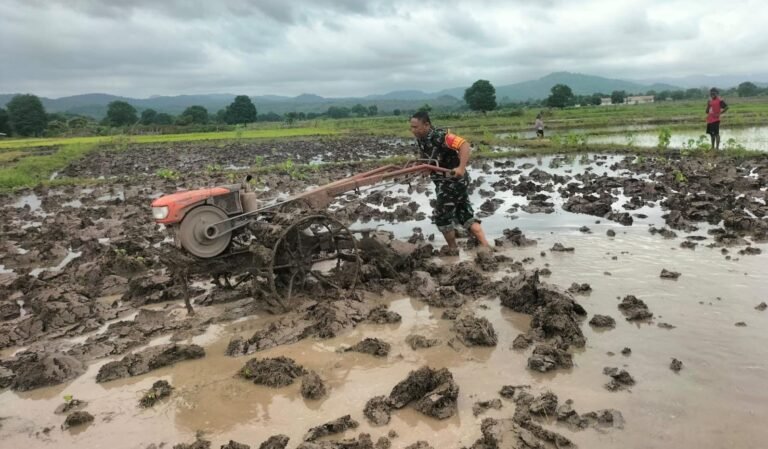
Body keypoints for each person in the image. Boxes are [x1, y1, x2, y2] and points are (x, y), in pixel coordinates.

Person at [409, 111, 490, 251]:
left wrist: (461, 168)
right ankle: (486, 247)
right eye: (412, 127)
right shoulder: (421, 139)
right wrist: (424, 167)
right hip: (443, 181)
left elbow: (464, 144)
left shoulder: (442, 136)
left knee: (442, 217)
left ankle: (452, 251)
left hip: (452, 181)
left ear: (426, 124)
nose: (413, 130)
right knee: (464, 213)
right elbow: (427, 155)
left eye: (416, 127)